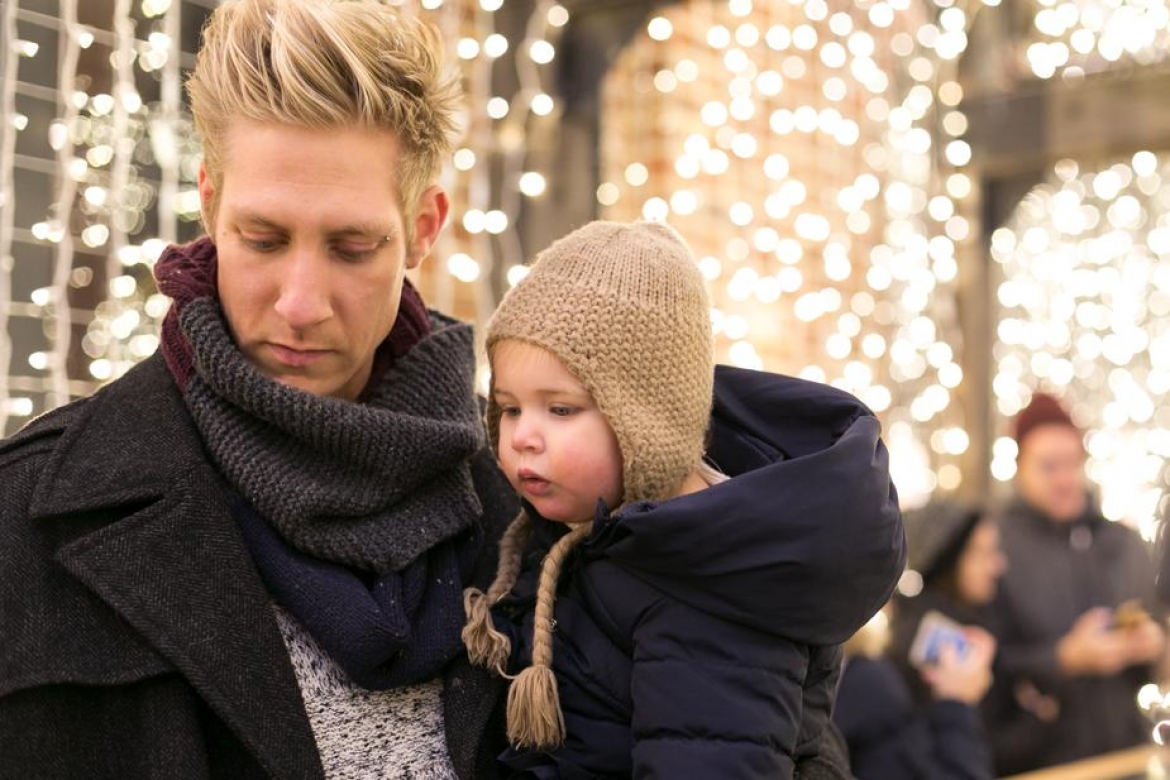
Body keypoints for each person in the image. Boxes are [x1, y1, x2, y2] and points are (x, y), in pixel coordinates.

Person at [0, 1, 519, 778]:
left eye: (352, 247)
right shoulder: (25, 517)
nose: (300, 304)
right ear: (209, 204)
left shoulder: (529, 504)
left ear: (423, 227)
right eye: (264, 239)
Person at [460, 219, 906, 778]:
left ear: (644, 423)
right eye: (509, 407)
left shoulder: (708, 589)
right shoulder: (592, 533)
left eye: (561, 409)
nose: (522, 435)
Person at [983, 392, 1166, 775]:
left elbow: (1153, 642)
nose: (1065, 479)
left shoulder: (1123, 542)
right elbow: (985, 662)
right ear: (1020, 468)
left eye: (1072, 463)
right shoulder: (992, 547)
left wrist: (1152, 645)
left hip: (1125, 756)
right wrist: (1063, 659)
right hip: (1040, 763)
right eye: (1049, 467)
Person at [834, 499, 1003, 780]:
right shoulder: (921, 645)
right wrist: (957, 701)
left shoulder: (983, 622)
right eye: (982, 553)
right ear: (948, 559)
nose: (997, 565)